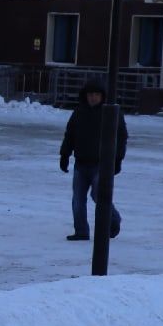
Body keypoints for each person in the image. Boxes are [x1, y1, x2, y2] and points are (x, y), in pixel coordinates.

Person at [58, 77, 127, 242]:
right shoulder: (79, 112)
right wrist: (64, 155)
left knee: (99, 196)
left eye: (96, 94)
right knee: (77, 200)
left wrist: (117, 160)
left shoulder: (111, 113)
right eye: (90, 94)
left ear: (103, 96)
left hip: (101, 165)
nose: (93, 97)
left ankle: (114, 219)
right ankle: (81, 231)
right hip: (81, 163)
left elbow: (121, 137)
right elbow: (70, 135)